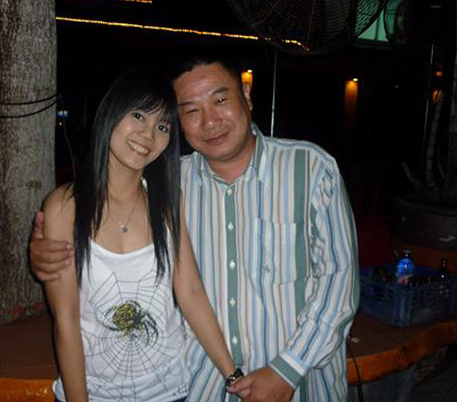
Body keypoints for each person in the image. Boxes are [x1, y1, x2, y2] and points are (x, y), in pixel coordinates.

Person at [31, 57, 360, 402]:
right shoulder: (174, 185)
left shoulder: (309, 169)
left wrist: (288, 369)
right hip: (203, 388)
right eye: (191, 110)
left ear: (247, 96)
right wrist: (44, 251)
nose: (210, 120)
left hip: (296, 385)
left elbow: (339, 281)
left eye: (220, 100)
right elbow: (97, 215)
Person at [40, 70, 243, 402]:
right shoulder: (64, 207)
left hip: (171, 390)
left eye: (162, 126)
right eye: (138, 115)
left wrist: (233, 375)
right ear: (111, 113)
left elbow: (190, 291)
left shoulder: (166, 201)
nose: (148, 134)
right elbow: (66, 321)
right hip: (95, 391)